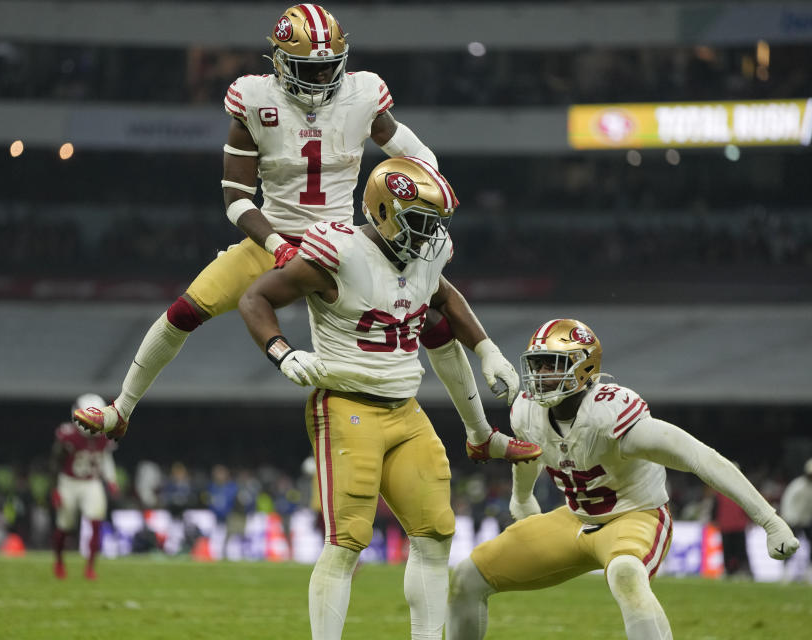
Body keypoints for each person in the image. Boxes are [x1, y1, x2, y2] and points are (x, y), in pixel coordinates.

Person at [73, 4, 521, 441]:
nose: (323, 78)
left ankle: (480, 433)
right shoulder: (254, 100)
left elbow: (421, 158)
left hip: (345, 246)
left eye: (330, 67)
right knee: (184, 312)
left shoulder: (362, 94)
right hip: (275, 237)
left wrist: (417, 200)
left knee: (432, 321)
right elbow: (236, 199)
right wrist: (276, 247)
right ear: (281, 63)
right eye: (311, 68)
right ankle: (121, 409)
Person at [237, 156, 541, 640]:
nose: (430, 235)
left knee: (436, 532)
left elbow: (444, 296)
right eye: (421, 222)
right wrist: (283, 353)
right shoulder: (338, 250)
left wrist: (486, 350)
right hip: (345, 403)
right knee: (347, 542)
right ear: (384, 210)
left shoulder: (426, 254)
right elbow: (254, 298)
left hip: (405, 408)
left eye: (435, 223)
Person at [446, 318, 800, 640]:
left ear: (583, 367)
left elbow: (698, 456)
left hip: (635, 516)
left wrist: (769, 520)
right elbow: (531, 453)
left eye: (551, 365)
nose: (539, 374)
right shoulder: (527, 411)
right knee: (466, 578)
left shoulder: (609, 415)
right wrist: (521, 499)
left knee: (626, 574)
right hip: (575, 519)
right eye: (536, 364)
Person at [52, 393, 119, 580]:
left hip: (92, 482)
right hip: (69, 482)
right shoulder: (68, 435)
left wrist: (111, 480)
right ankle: (59, 561)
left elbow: (106, 458)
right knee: (64, 526)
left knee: (96, 522)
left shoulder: (105, 434)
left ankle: (90, 568)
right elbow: (55, 462)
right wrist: (55, 489)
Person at [781, 458, 812, 582]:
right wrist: (790, 519)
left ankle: (809, 572)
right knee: (789, 546)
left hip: (807, 520)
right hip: (793, 520)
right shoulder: (797, 485)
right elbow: (787, 502)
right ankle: (786, 572)